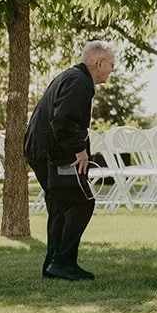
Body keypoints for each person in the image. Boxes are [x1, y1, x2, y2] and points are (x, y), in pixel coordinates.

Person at [25, 41, 115, 281]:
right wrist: (79, 150)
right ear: (98, 63)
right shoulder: (78, 81)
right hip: (54, 154)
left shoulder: (73, 77)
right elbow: (63, 120)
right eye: (111, 64)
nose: (112, 70)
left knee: (60, 206)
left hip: (43, 150)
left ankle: (53, 264)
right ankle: (62, 263)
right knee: (82, 202)